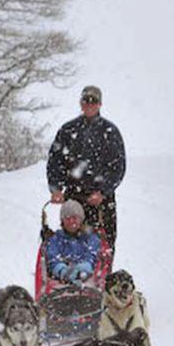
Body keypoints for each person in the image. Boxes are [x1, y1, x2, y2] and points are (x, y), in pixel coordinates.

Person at [47, 84, 126, 248]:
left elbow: (118, 167)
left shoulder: (110, 132)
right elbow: (55, 162)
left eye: (93, 101)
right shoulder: (68, 130)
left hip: (102, 203)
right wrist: (56, 189)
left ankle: (101, 274)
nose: (89, 104)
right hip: (73, 198)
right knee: (69, 246)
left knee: (104, 248)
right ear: (80, 103)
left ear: (100, 104)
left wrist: (103, 192)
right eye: (86, 100)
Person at [45, 200, 101, 284]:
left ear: (81, 219)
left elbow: (93, 254)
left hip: (88, 280)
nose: (71, 221)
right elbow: (52, 257)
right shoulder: (55, 239)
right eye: (67, 218)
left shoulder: (90, 238)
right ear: (62, 220)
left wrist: (84, 268)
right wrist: (62, 270)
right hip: (59, 281)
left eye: (74, 218)